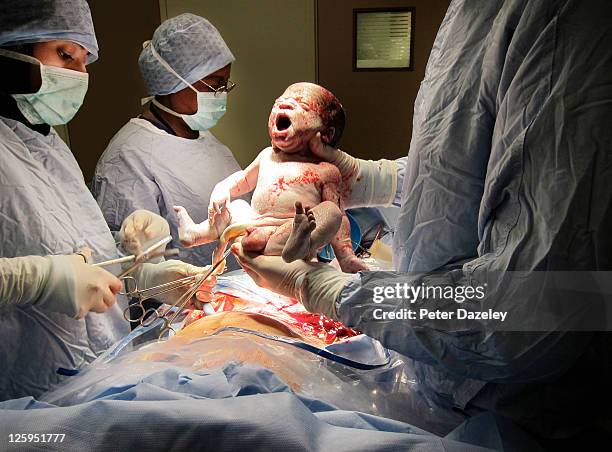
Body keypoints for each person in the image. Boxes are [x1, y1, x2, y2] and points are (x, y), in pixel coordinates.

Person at [234, 0, 612, 446]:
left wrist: (332, 290)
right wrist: (376, 179)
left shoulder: (565, 18)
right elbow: (463, 162)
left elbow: (532, 311)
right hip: (441, 379)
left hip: (520, 417)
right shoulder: (472, 12)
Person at [0, 0, 212, 401]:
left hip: (99, 375)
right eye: (65, 55)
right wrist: (37, 279)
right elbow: (44, 269)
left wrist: (143, 277)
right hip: (26, 401)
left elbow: (82, 260)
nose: (79, 76)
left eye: (85, 63)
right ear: (11, 47)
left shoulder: (48, 145)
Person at [93, 13, 242, 268]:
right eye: (215, 84)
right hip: (178, 302)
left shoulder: (208, 142)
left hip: (237, 291)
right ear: (175, 81)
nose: (221, 94)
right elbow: (134, 266)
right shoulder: (129, 157)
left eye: (225, 83)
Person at [174, 82, 368, 273]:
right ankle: (197, 234)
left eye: (303, 106)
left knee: (332, 211)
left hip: (289, 232)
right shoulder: (267, 156)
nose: (284, 105)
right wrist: (222, 189)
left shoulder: (325, 170)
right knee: (237, 206)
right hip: (253, 228)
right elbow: (242, 180)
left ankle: (297, 244)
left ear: (326, 134)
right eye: (279, 102)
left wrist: (346, 257)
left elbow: (339, 218)